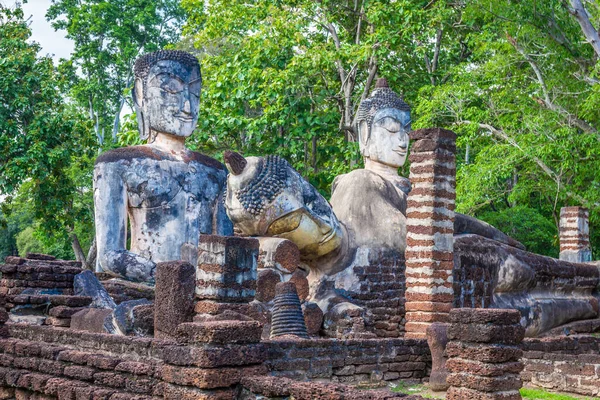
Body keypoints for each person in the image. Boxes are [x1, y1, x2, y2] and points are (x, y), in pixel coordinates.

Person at [93, 50, 232, 283]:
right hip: (145, 289)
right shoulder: (117, 164)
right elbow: (109, 255)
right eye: (170, 90)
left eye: (195, 93)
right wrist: (168, 277)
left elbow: (225, 248)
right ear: (141, 93)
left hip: (207, 293)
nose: (187, 106)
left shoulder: (216, 172)